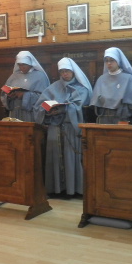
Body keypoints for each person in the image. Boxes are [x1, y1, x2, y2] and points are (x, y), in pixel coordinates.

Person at [34, 57, 92, 199]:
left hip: (70, 128)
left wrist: (62, 109)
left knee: (71, 158)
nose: (65, 74)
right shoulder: (53, 87)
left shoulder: (81, 88)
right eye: (62, 72)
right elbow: (39, 106)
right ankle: (56, 189)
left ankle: (73, 189)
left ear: (73, 71)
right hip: (55, 128)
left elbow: (78, 106)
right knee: (54, 157)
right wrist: (47, 111)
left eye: (67, 71)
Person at [90, 47, 132, 124]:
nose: (109, 63)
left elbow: (131, 103)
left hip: (122, 116)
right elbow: (96, 103)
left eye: (112, 60)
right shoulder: (101, 79)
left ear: (118, 60)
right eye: (106, 61)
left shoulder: (128, 78)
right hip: (104, 117)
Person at [0, 51, 49, 122]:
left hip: (30, 113)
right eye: (19, 65)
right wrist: (9, 96)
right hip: (15, 112)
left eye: (24, 65)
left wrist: (24, 95)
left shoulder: (40, 76)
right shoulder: (14, 76)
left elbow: (44, 97)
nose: (22, 67)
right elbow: (4, 93)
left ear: (30, 63)